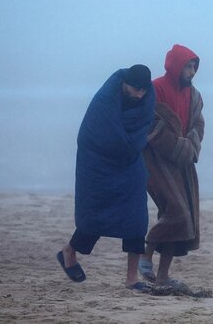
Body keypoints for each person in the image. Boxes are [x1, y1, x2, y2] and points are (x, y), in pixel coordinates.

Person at [57, 64, 155, 292]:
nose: (139, 95)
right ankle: (69, 252)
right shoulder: (105, 98)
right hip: (98, 162)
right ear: (124, 84)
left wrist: (131, 145)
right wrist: (119, 145)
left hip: (129, 161)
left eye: (143, 90)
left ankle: (132, 278)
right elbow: (93, 132)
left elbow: (143, 126)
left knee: (136, 218)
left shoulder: (148, 97)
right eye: (135, 89)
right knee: (95, 214)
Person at [138, 44, 205, 287]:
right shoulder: (156, 89)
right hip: (156, 159)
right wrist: (174, 145)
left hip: (184, 160)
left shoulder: (195, 96)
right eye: (188, 66)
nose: (192, 71)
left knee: (184, 221)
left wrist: (188, 148)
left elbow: (198, 125)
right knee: (176, 211)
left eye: (194, 67)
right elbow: (150, 125)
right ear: (176, 65)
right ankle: (146, 253)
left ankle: (163, 276)